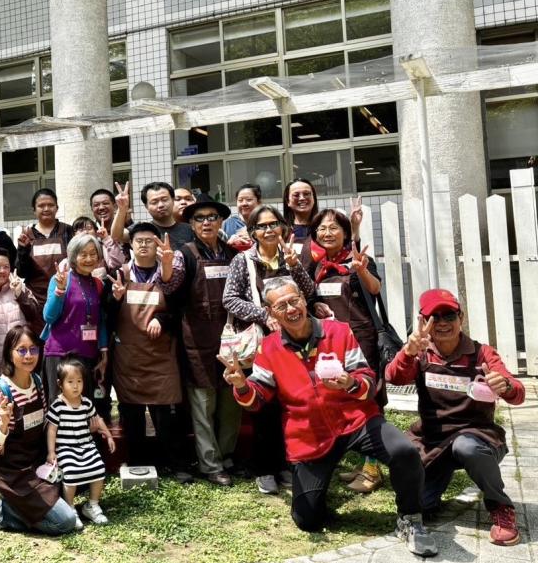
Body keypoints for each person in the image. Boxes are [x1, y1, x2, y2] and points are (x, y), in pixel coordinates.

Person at [223, 277, 437, 557]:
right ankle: (318, 488)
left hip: (356, 421)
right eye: (281, 306)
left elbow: (368, 382)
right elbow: (257, 398)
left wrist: (350, 382)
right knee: (307, 520)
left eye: (294, 300)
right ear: (271, 312)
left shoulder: (339, 331)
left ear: (303, 298)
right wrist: (241, 385)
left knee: (404, 451)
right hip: (309, 435)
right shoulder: (270, 348)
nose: (290, 309)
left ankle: (410, 519)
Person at [385, 289, 525, 547]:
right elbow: (393, 377)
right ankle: (438, 480)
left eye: (449, 315)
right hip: (433, 441)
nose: (442, 323)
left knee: (466, 446)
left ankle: (500, 506)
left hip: (477, 437)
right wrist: (407, 351)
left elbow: (518, 394)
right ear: (423, 321)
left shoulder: (482, 353)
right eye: (434, 317)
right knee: (421, 505)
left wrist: (504, 385)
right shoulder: (420, 352)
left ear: (462, 317)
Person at [223, 204, 316, 494]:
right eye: (261, 226)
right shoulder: (243, 260)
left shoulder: (292, 256)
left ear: (282, 227)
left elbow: (310, 294)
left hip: (292, 340)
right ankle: (264, 468)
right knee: (262, 405)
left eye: (273, 224)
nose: (268, 230)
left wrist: (296, 266)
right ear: (253, 232)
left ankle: (284, 464)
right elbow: (230, 299)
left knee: (287, 402)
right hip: (262, 342)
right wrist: (264, 315)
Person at [159, 198, 239, 485]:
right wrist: (166, 265)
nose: (206, 222)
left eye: (212, 217)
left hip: (232, 338)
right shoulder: (184, 254)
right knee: (203, 403)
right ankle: (210, 464)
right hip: (197, 340)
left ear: (221, 222)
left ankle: (227, 455)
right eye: (200, 218)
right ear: (191, 225)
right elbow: (167, 285)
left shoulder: (233, 254)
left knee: (232, 399)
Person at [308, 208, 386, 493]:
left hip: (361, 338)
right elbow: (312, 297)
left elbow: (375, 289)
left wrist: (362, 269)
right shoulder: (317, 266)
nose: (327, 234)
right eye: (321, 229)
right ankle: (360, 461)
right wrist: (314, 304)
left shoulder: (358, 260)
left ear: (345, 232)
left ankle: (372, 468)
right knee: (342, 400)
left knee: (368, 399)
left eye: (333, 228)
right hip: (331, 343)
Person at [107, 222, 190, 482]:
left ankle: (174, 464)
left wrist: (162, 321)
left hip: (161, 355)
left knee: (165, 413)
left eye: (149, 241)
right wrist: (116, 299)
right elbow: (106, 315)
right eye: (139, 240)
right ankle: (138, 463)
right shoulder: (119, 273)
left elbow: (180, 311)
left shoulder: (169, 276)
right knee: (131, 414)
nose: (144, 245)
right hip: (129, 356)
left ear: (158, 245)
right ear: (131, 245)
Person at [0, 325, 79, 535]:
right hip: (11, 473)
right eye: (21, 350)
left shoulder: (37, 383)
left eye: (33, 349)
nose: (28, 356)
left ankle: (18, 505)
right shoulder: (0, 393)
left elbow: (43, 424)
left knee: (76, 481)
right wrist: (2, 425)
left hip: (34, 465)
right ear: (9, 353)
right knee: (66, 521)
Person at [41, 233, 109, 404]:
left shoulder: (98, 284)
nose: (89, 258)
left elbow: (99, 320)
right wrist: (59, 292)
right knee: (59, 407)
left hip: (87, 354)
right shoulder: (61, 279)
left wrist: (104, 351)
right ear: (73, 256)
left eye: (93, 254)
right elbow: (48, 316)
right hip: (60, 354)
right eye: (83, 254)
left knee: (84, 407)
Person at [46, 358, 116, 525]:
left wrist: (108, 435)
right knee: (71, 473)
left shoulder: (86, 403)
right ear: (60, 383)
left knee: (98, 468)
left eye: (79, 381)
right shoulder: (58, 406)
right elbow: (51, 430)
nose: (76, 386)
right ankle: (70, 508)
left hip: (86, 445)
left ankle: (92, 505)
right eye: (70, 381)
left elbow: (97, 419)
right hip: (66, 448)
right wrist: (51, 452)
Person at [0, 248, 42, 376]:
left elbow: (34, 315)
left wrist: (19, 294)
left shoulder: (20, 286)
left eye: (6, 267)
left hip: (22, 362)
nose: (3, 271)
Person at [15, 188, 74, 305]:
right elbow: (21, 272)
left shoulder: (68, 230)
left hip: (66, 295)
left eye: (50, 205)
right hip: (36, 299)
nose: (46, 209)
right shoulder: (26, 235)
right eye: (41, 206)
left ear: (57, 208)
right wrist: (23, 249)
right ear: (34, 210)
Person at [111, 181, 194, 250]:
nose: (161, 205)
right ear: (146, 206)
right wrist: (122, 209)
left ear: (172, 200)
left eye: (164, 200)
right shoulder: (142, 229)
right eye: (154, 202)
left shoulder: (191, 229)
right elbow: (116, 236)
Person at [223, 184, 262, 251]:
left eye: (249, 200)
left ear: (259, 202)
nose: (244, 204)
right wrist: (229, 243)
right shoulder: (228, 223)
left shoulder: (265, 223)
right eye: (240, 200)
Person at [282, 179, 319, 245]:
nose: (302, 198)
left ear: (314, 199)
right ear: (288, 201)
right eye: (296, 195)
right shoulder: (282, 231)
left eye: (306, 194)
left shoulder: (323, 227)